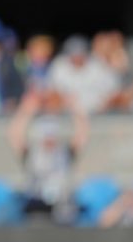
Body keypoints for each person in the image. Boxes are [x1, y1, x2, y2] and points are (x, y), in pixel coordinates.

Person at [8, 95, 88, 223]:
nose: (49, 141)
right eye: (46, 137)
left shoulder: (64, 154)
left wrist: (75, 110)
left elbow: (81, 136)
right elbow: (15, 136)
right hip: (36, 206)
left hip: (61, 207)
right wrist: (26, 111)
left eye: (52, 137)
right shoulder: (32, 155)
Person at [47, 34, 119, 115]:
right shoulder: (59, 65)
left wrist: (106, 103)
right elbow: (52, 91)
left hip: (99, 114)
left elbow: (114, 91)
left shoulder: (98, 65)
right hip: (66, 115)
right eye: (74, 54)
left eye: (80, 53)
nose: (77, 57)